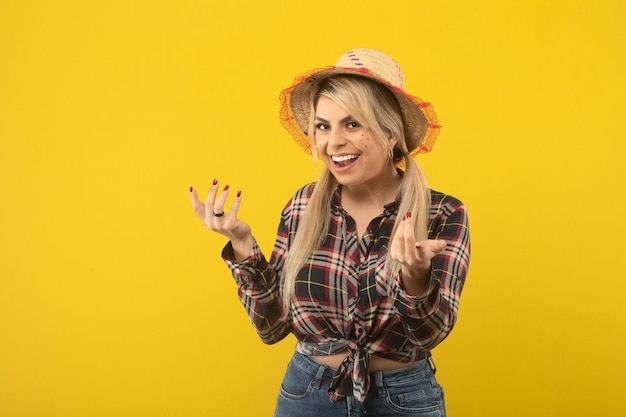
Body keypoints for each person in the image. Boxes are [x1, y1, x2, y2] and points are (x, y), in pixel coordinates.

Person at [189, 48, 470, 417]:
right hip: (308, 393)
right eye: (323, 126)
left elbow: (430, 334)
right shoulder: (303, 206)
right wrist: (242, 244)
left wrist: (415, 277)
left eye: (352, 124)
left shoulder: (443, 213)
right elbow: (272, 327)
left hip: (404, 399)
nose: (332, 142)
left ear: (390, 134)